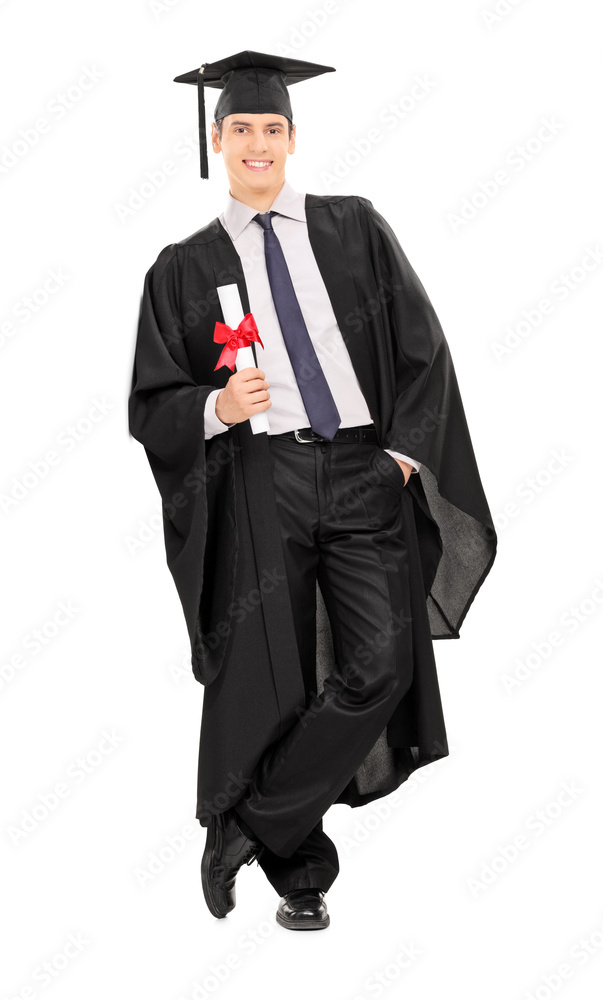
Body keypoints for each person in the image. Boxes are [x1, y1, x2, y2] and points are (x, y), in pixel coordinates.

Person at [128, 50, 497, 931]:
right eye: (240, 128)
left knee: (380, 666)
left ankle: (250, 823)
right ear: (216, 140)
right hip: (265, 480)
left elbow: (423, 349)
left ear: (292, 138)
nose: (256, 143)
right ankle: (301, 872)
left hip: (365, 468)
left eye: (271, 128)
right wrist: (215, 406)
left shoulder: (353, 226)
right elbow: (150, 403)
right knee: (276, 672)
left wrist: (401, 459)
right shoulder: (182, 268)